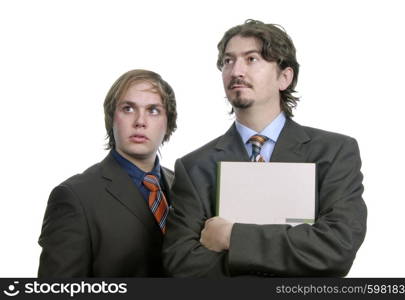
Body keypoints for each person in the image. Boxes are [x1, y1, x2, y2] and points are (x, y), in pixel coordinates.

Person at [162, 20, 367, 277]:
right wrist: (292, 257)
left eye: (252, 59)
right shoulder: (194, 167)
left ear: (284, 77)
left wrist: (232, 236)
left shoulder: (335, 152)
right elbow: (182, 263)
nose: (236, 70)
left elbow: (337, 247)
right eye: (228, 61)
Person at [38, 69, 177, 277]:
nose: (140, 121)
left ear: (168, 123)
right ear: (112, 118)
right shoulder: (74, 197)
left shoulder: (185, 185)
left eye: (153, 110)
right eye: (128, 109)